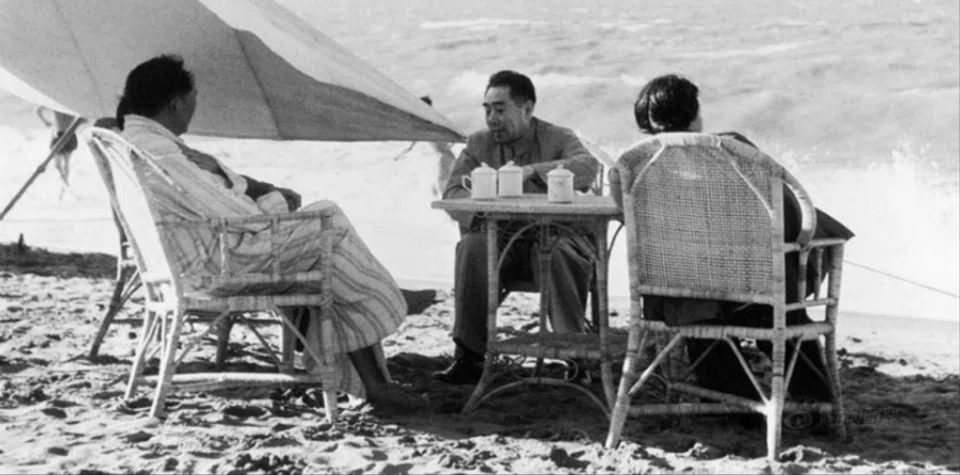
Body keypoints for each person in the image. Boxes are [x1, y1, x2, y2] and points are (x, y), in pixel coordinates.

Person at [115, 54, 424, 411]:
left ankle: (367, 367)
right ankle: (378, 309)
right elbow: (236, 214)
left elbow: (212, 200)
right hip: (216, 268)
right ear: (175, 103)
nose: (195, 106)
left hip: (181, 267)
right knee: (329, 221)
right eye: (192, 98)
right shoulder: (161, 152)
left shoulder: (134, 142)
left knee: (329, 253)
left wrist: (228, 176)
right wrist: (273, 201)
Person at [611, 74, 854, 428]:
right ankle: (817, 403)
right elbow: (788, 211)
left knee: (698, 309)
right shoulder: (731, 149)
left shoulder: (635, 165)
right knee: (778, 306)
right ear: (695, 114)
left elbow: (628, 217)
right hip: (751, 290)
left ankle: (738, 404)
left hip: (679, 292)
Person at [433, 70, 601, 384]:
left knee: (557, 252)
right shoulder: (478, 144)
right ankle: (469, 354)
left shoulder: (558, 137)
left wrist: (533, 172)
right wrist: (486, 213)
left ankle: (574, 356)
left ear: (527, 109)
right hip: (502, 244)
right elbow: (453, 193)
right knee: (472, 246)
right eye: (487, 110)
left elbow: (588, 167)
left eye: (500, 109)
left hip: (553, 237)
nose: (491, 119)